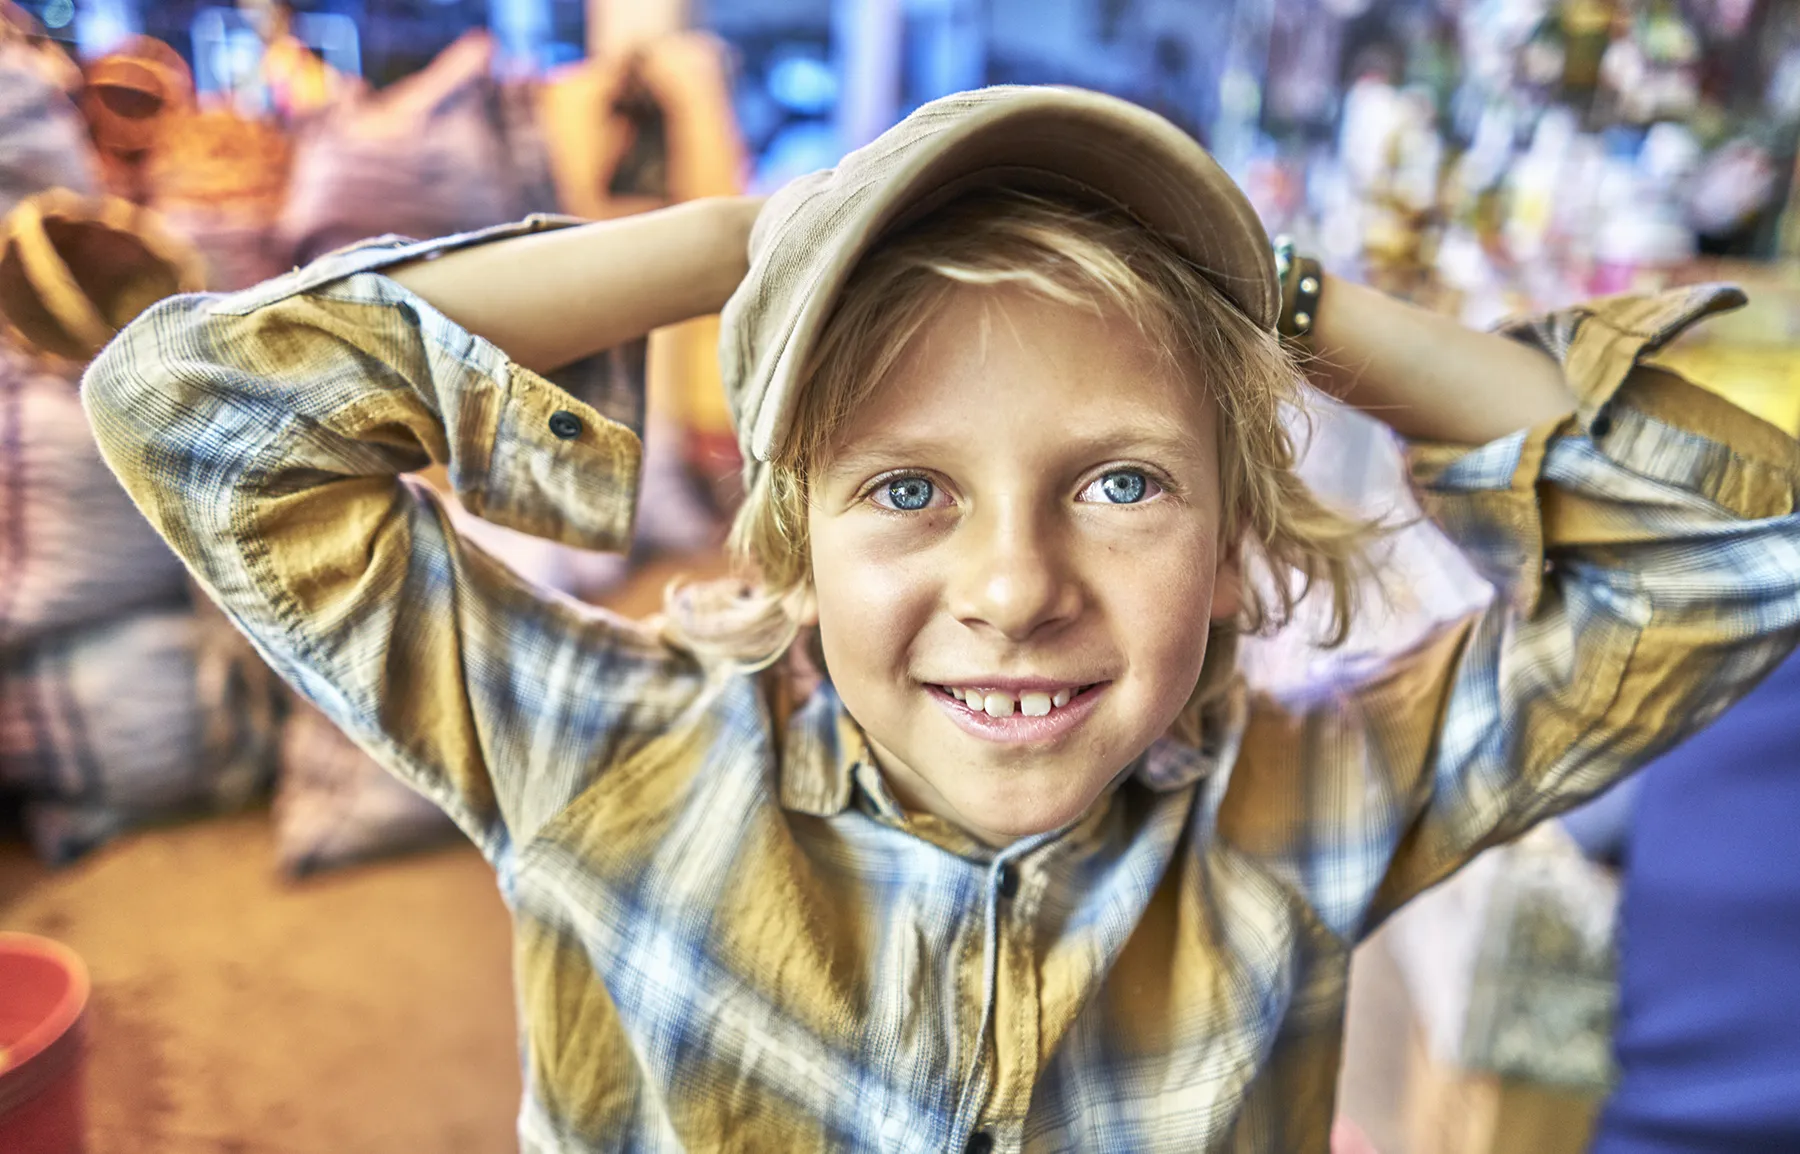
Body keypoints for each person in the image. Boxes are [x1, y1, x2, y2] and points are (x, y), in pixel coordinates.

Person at [82, 87, 1800, 1152]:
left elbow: (1742, 547)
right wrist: (749, 239)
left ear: (1232, 543)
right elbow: (197, 409)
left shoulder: (1315, 795)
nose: (1014, 588)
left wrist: (1286, 298)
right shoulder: (607, 753)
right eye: (907, 489)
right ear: (790, 540)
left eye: (1123, 482)